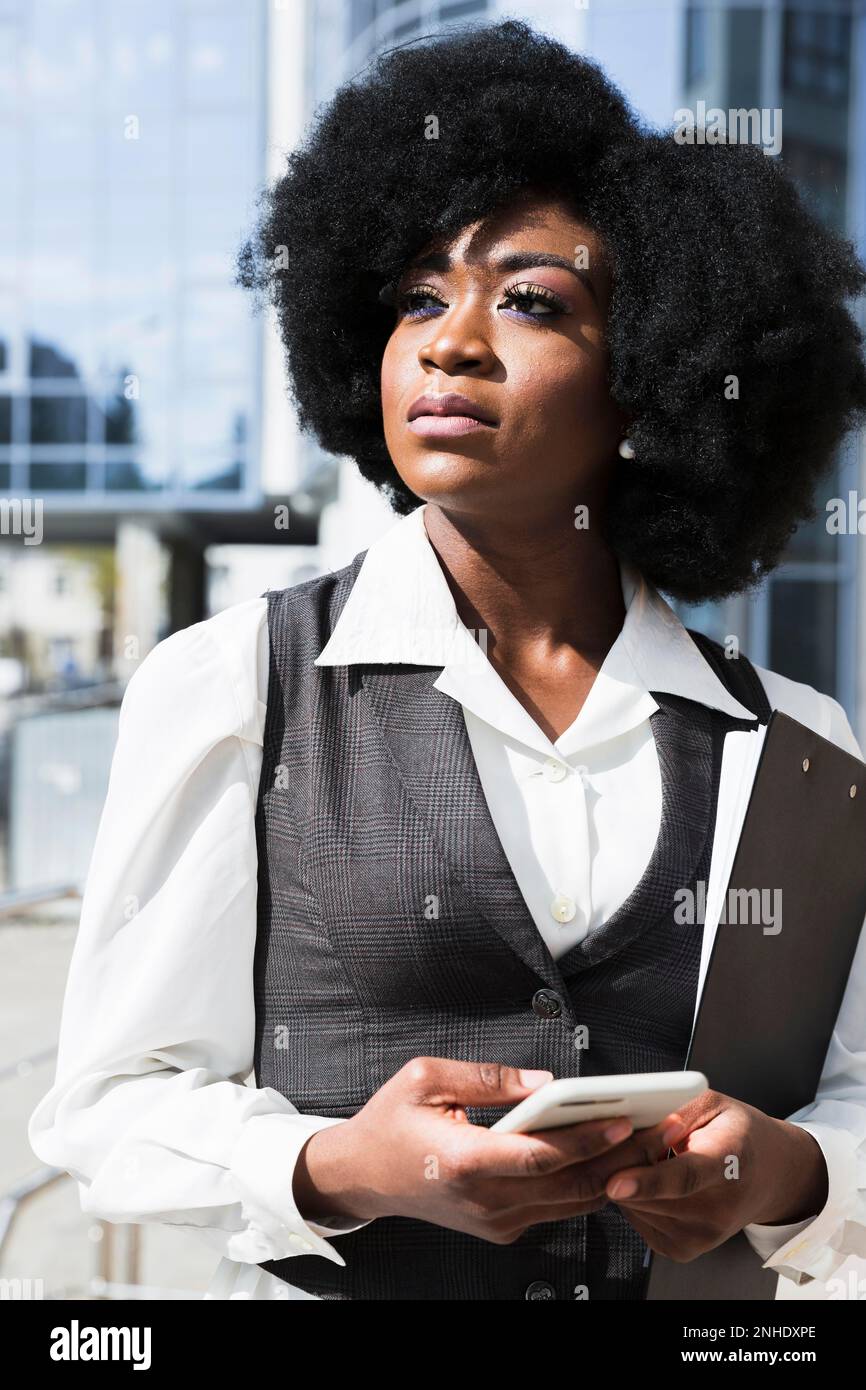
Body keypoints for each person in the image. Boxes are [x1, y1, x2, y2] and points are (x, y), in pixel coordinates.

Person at [29, 20, 866, 1301]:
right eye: (421, 294)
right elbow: (108, 1105)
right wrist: (340, 1165)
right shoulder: (231, 686)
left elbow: (851, 1094)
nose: (449, 339)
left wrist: (788, 1175)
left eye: (529, 300)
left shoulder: (796, 747)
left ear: (648, 390)